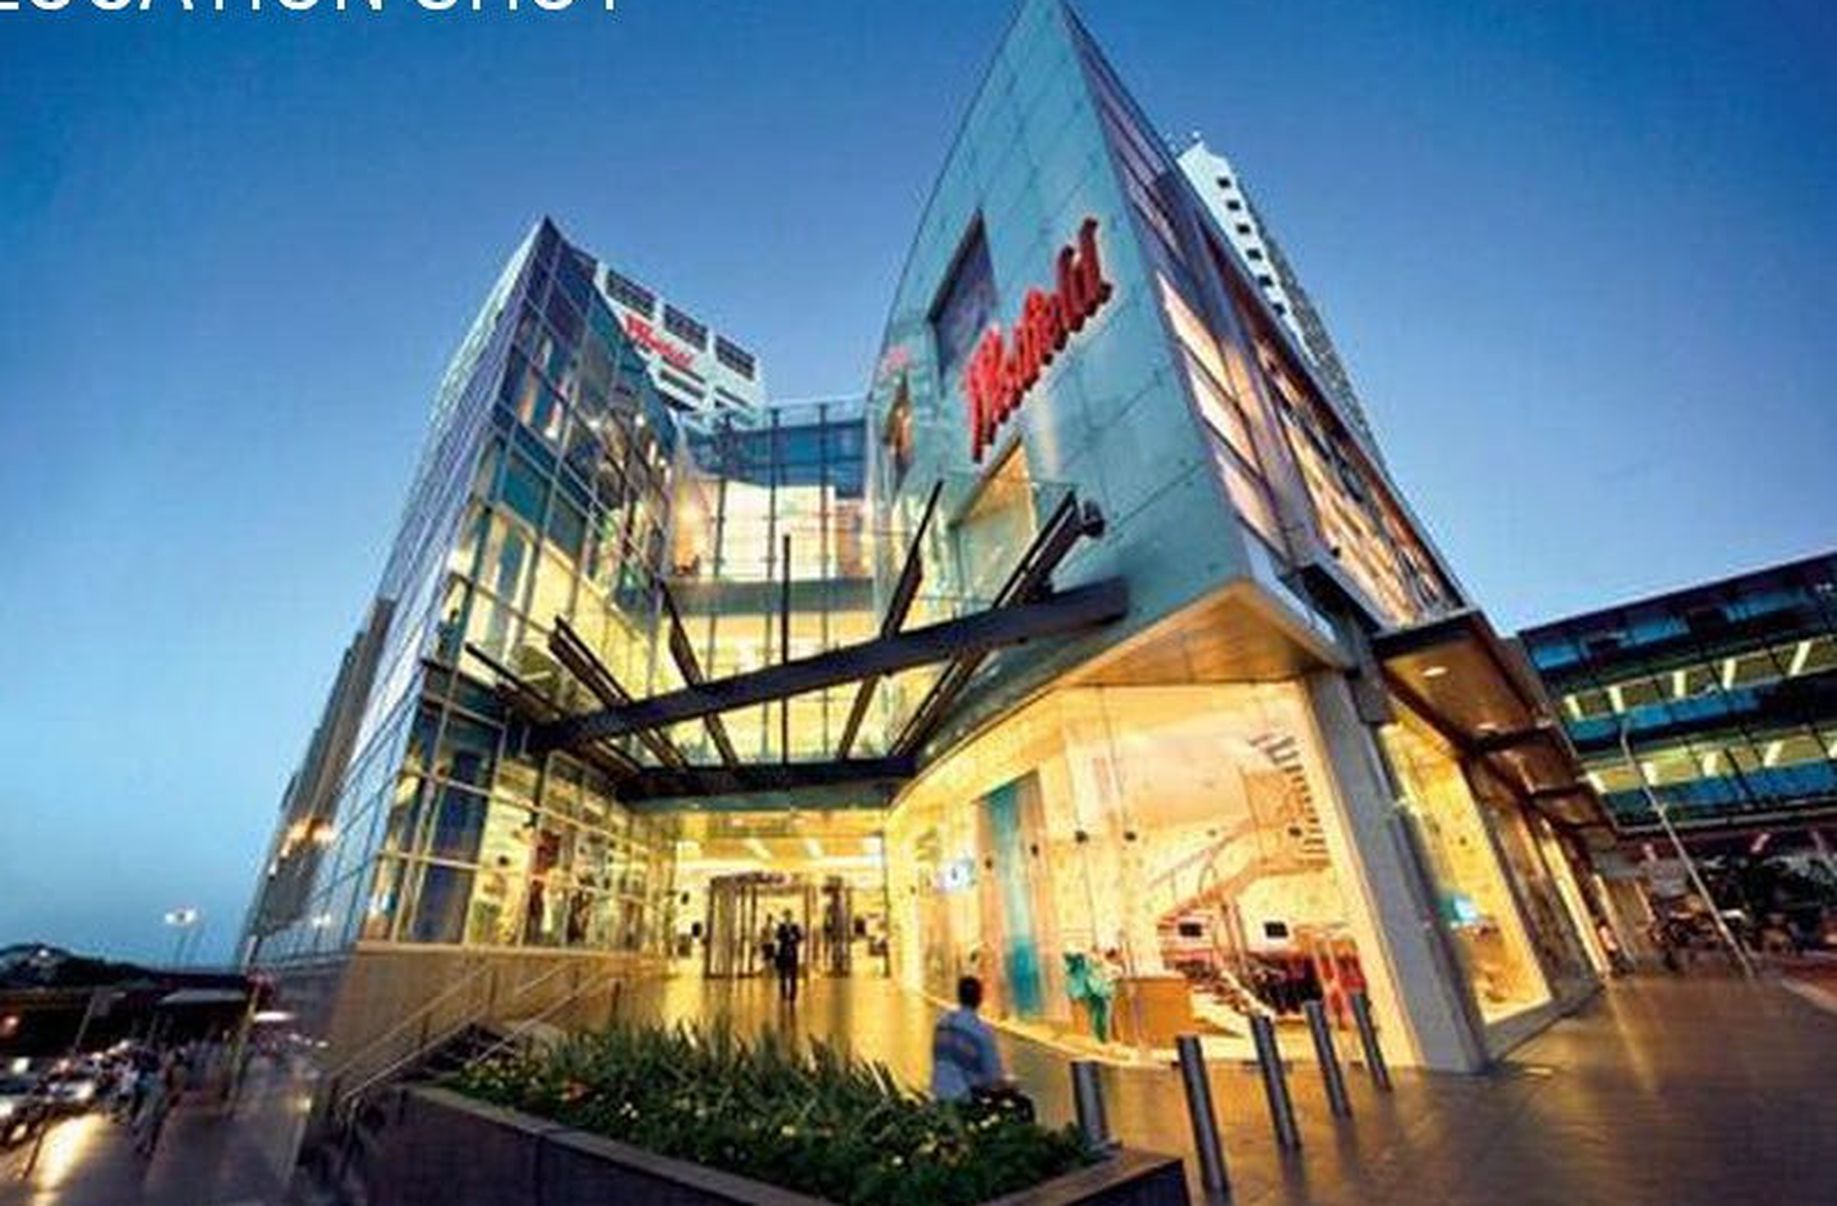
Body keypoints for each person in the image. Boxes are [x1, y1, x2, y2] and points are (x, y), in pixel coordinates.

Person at [931, 976, 1007, 1104]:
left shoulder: (941, 1024)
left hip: (938, 1092)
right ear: (979, 998)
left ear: (959, 996)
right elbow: (993, 1077)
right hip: (965, 1096)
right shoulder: (981, 1031)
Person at [773, 911, 803, 1002]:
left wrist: (794, 938)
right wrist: (785, 937)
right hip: (783, 953)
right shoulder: (781, 927)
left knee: (793, 975)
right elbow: (777, 936)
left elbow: (800, 937)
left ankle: (793, 995)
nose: (788, 917)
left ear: (791, 917)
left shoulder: (795, 927)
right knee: (782, 975)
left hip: (793, 953)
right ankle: (783, 994)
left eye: (789, 916)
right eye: (786, 916)